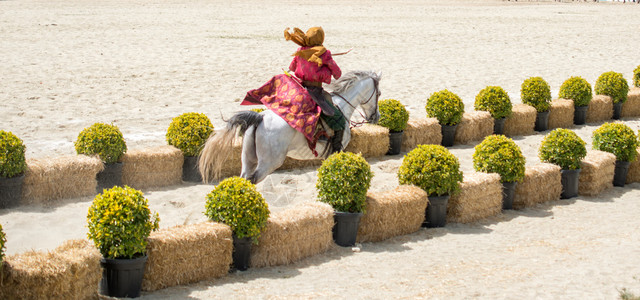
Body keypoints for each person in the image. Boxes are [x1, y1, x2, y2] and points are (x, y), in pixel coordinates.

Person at [284, 27, 346, 154]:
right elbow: (338, 74)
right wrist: (327, 62)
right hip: (315, 91)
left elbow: (291, 67)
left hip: (299, 87)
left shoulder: (300, 50)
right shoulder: (324, 53)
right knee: (339, 119)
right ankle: (336, 151)